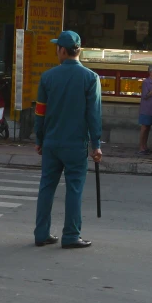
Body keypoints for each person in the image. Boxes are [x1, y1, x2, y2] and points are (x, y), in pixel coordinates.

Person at [33, 30, 102, 249]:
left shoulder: (47, 77)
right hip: (76, 144)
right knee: (74, 189)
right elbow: (94, 114)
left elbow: (40, 112)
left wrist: (39, 139)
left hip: (51, 143)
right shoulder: (90, 78)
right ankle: (71, 235)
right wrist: (96, 145)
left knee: (47, 187)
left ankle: (41, 234)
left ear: (62, 50)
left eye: (57, 48)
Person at [137, 65, 152, 155]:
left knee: (148, 128)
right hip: (146, 109)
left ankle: (145, 147)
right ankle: (141, 147)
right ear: (150, 72)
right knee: (144, 128)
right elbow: (145, 96)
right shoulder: (146, 82)